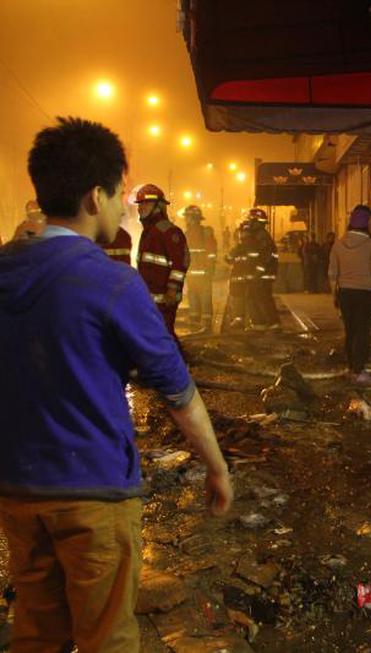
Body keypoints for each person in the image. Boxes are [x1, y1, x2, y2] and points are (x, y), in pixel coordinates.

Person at [0, 116, 233, 653]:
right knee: (107, 637)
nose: (121, 209)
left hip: (17, 493)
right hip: (94, 494)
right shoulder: (112, 283)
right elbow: (178, 393)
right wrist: (217, 468)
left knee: (36, 632)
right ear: (94, 196)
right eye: (117, 196)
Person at [329, 205, 371, 386]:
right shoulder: (370, 245)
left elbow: (332, 274)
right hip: (364, 294)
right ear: (366, 224)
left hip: (345, 293)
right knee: (362, 332)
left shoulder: (338, 244)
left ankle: (352, 368)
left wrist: (334, 295)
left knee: (350, 331)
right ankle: (359, 371)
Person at [133, 183, 190, 341]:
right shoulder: (149, 232)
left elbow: (182, 261)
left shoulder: (168, 231)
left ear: (158, 206)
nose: (141, 208)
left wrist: (172, 289)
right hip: (151, 298)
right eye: (140, 204)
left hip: (165, 298)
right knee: (154, 336)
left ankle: (178, 363)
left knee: (163, 336)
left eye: (146, 203)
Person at [244, 208, 280, 331]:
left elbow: (266, 256)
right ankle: (259, 324)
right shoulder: (257, 235)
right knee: (254, 297)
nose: (248, 223)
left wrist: (258, 272)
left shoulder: (261, 236)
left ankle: (273, 323)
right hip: (260, 273)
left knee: (263, 298)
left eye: (250, 221)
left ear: (256, 222)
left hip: (263, 274)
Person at [183, 205, 218, 333]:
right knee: (193, 295)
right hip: (194, 272)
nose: (186, 219)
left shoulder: (204, 232)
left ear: (193, 218)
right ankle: (195, 320)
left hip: (202, 271)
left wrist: (209, 267)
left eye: (187, 217)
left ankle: (206, 323)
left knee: (203, 296)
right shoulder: (188, 233)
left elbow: (211, 252)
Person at [221, 220, 254, 332]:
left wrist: (227, 258)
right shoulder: (255, 246)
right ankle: (249, 322)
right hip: (250, 278)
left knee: (239, 298)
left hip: (239, 277)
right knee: (248, 299)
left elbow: (229, 259)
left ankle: (240, 320)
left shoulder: (239, 247)